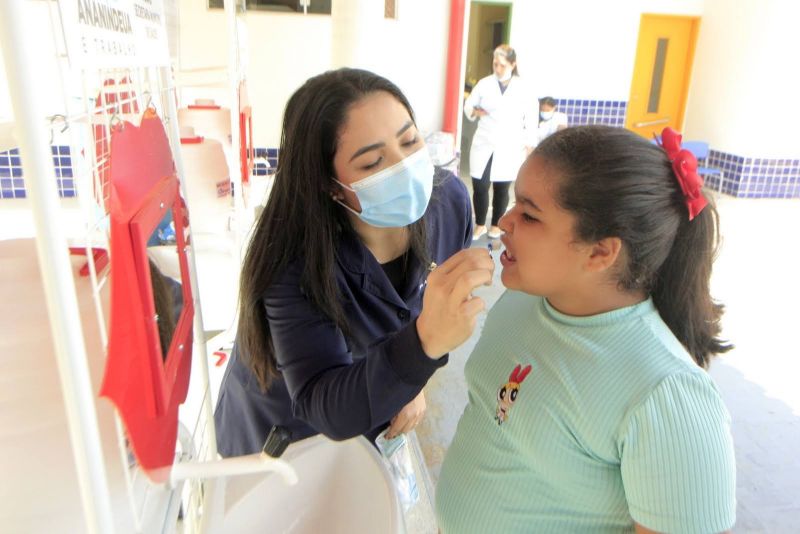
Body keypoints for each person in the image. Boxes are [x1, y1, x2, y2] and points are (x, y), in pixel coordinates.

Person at [436, 126, 736, 533]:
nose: (504, 222)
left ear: (600, 252)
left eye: (529, 214)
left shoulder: (666, 393)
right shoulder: (524, 300)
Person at [214, 68, 494, 457]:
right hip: (284, 434)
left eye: (410, 141)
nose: (403, 167)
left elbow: (420, 317)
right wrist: (424, 345)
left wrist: (412, 381)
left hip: (372, 408)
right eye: (372, 163)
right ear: (330, 185)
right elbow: (325, 402)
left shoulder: (449, 204)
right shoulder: (294, 260)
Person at [463, 44, 538, 241]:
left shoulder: (524, 89)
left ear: (513, 64)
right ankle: (480, 224)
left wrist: (530, 143)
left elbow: (531, 117)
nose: (497, 69)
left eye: (502, 65)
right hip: (484, 141)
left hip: (510, 143)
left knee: (502, 186)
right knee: (480, 184)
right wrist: (474, 111)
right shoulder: (484, 83)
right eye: (495, 64)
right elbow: (469, 105)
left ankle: (496, 224)